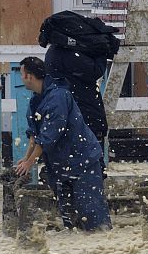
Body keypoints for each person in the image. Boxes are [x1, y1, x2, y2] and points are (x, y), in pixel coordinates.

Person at [15, 56, 111, 232]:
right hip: (60, 166)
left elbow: (49, 135)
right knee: (69, 221)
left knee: (94, 219)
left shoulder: (58, 96)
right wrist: (25, 159)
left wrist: (30, 162)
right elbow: (34, 134)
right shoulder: (36, 99)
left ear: (29, 76)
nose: (21, 78)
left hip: (82, 162)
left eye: (22, 74)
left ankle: (101, 253)